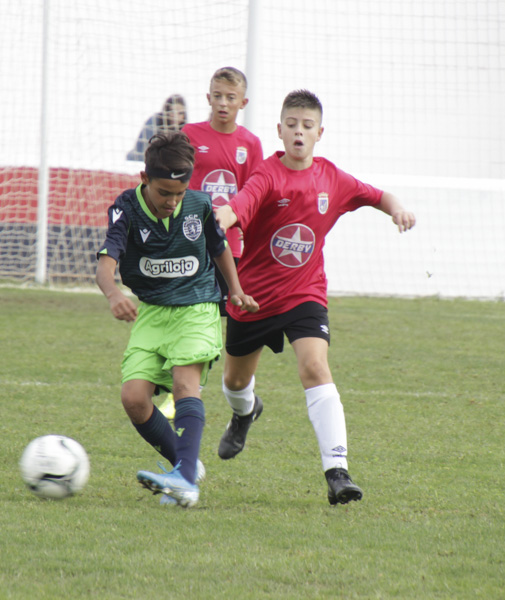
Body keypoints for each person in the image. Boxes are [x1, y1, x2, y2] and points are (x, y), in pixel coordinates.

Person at [213, 89, 416, 505]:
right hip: (252, 298)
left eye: (307, 126)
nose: (299, 133)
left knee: (314, 366)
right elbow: (238, 206)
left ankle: (337, 472)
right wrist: (220, 217)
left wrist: (397, 209)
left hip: (304, 295)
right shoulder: (267, 176)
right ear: (279, 130)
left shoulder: (332, 178)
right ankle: (245, 411)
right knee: (235, 383)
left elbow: (378, 196)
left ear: (320, 132)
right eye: (292, 125)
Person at [96, 131, 258, 508]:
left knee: (186, 384)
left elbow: (219, 248)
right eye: (163, 193)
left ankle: (184, 479)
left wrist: (234, 290)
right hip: (152, 312)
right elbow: (106, 264)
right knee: (134, 399)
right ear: (144, 180)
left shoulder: (199, 205)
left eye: (179, 194)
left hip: (198, 306)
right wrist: (115, 294)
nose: (171, 202)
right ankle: (187, 466)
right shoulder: (125, 208)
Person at [156, 67, 265, 423]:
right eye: (217, 96)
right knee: (180, 315)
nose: (223, 103)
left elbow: (253, 197)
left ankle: (185, 388)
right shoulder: (189, 135)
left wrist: (249, 239)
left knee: (207, 322)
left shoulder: (250, 144)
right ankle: (176, 386)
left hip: (226, 249)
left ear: (242, 102)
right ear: (208, 97)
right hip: (186, 243)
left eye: (230, 98)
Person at [126, 94, 187, 162]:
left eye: (180, 113)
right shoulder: (154, 122)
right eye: (172, 111)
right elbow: (142, 150)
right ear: (166, 111)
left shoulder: (185, 130)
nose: (175, 116)